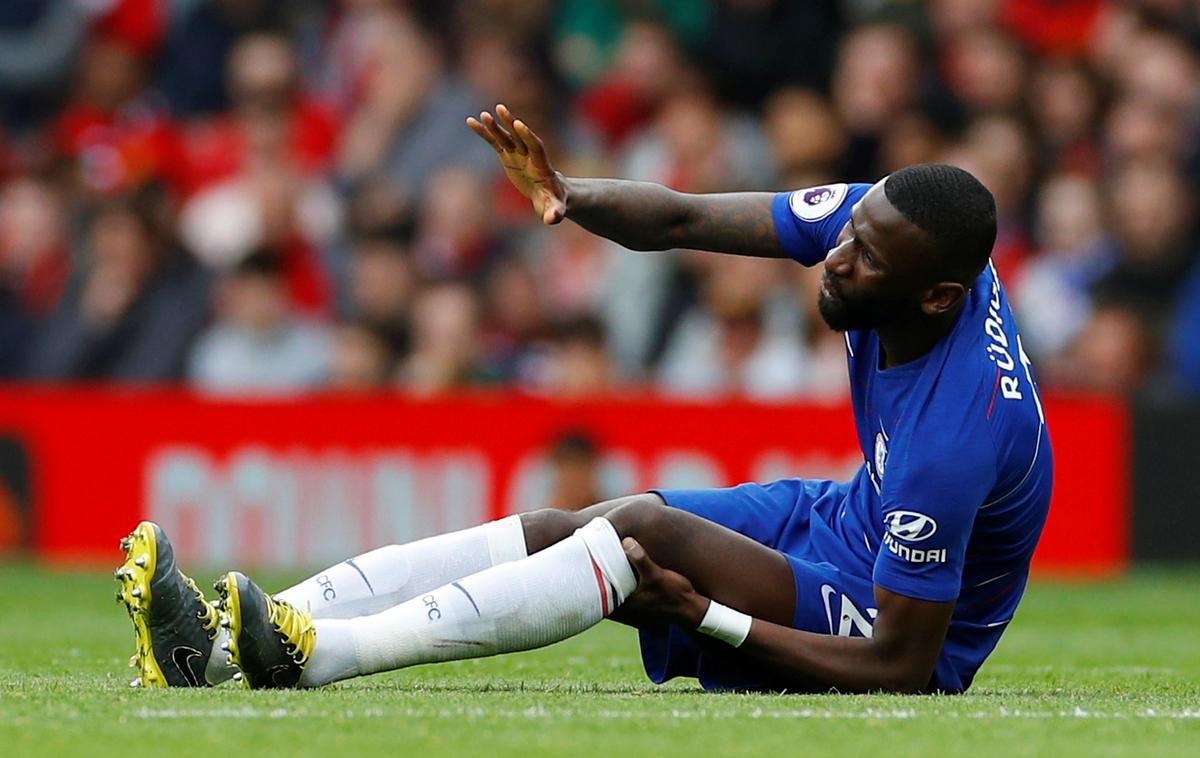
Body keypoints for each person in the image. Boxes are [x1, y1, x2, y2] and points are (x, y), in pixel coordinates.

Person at [114, 104, 1051, 694]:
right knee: (576, 525)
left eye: (865, 258)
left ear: (937, 297)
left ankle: (319, 654)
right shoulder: (900, 230)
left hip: (897, 618)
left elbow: (906, 666)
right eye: (847, 232)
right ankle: (237, 640)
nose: (836, 256)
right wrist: (569, 193)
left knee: (648, 533)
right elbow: (685, 217)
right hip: (850, 519)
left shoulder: (953, 437)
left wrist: (706, 619)